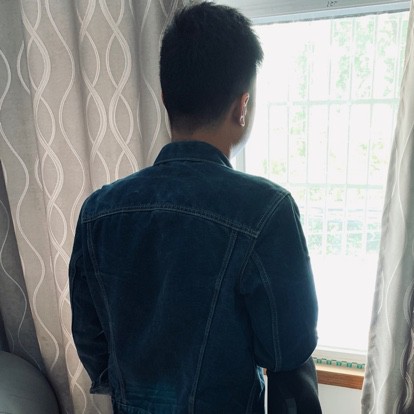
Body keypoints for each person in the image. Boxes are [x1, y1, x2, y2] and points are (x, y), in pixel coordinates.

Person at [69, 2, 321, 413]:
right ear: (242, 106)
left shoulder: (97, 211)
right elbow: (288, 352)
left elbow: (92, 344)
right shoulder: (266, 210)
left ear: (165, 97)